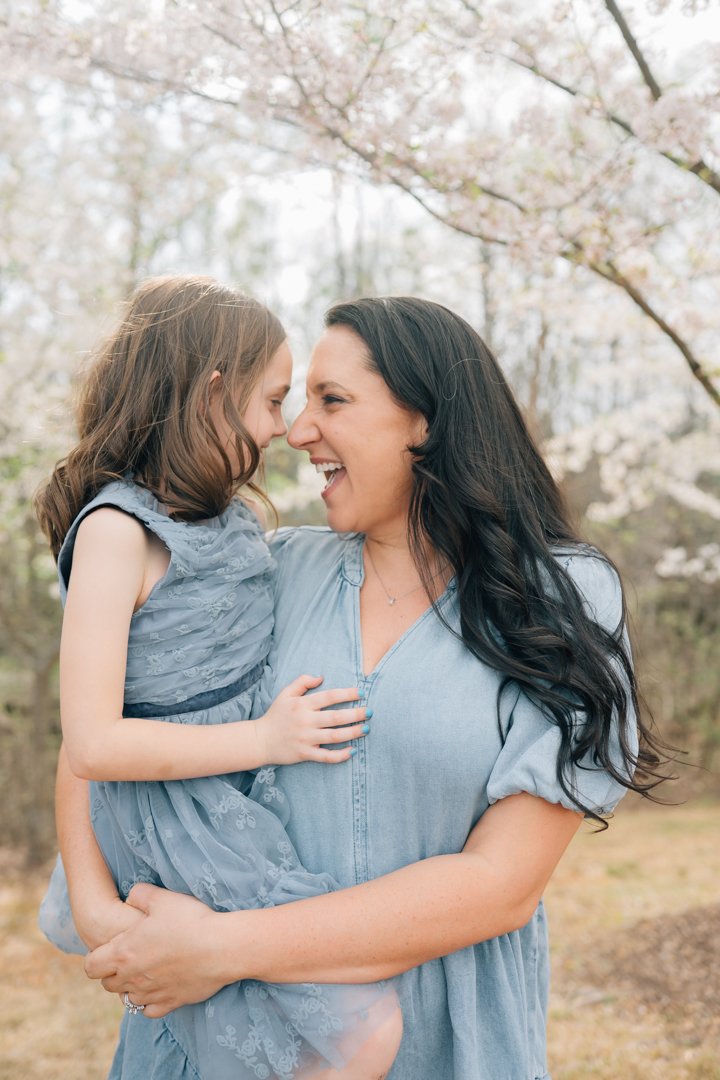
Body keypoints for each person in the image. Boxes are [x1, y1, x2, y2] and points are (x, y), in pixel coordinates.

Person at [45, 296, 667, 1080]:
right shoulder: (267, 568)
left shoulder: (562, 598)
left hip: (445, 1039)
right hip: (232, 1035)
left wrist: (219, 948)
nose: (298, 431)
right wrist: (105, 917)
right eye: (296, 401)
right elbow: (99, 731)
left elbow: (499, 885)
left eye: (331, 400)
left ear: (425, 421)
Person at [34, 276, 402, 1080]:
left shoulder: (226, 515)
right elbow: (92, 739)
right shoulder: (115, 531)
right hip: (179, 808)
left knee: (251, 1021)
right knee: (362, 1025)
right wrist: (267, 737)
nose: (283, 429)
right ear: (210, 395)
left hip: (238, 795)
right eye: (271, 401)